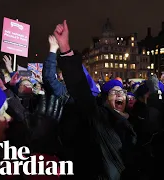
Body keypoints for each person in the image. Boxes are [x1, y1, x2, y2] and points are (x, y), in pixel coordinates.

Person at [53, 20, 137, 180]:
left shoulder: (137, 121)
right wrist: (65, 49)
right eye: (114, 92)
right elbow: (80, 90)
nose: (119, 94)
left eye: (122, 92)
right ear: (105, 100)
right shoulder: (100, 118)